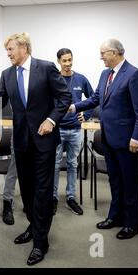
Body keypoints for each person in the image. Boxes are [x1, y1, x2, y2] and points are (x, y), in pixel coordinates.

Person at [0, 32, 71, 266]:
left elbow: (64, 97)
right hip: (22, 141)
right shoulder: (7, 74)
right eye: (7, 51)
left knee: (42, 190)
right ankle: (34, 228)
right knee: (26, 189)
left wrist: (52, 120)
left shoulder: (45, 68)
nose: (8, 54)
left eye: (11, 49)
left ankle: (40, 242)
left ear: (24, 48)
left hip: (44, 139)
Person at [69, 39, 138, 240]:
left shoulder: (134, 74)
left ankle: (132, 224)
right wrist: (75, 107)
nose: (101, 57)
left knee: (130, 183)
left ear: (114, 52)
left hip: (127, 140)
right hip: (109, 137)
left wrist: (136, 138)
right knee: (115, 180)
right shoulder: (106, 74)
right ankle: (116, 217)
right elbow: (96, 98)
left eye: (103, 53)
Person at [53, 48, 94, 216]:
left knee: (72, 164)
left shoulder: (81, 79)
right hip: (58, 130)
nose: (68, 64)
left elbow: (93, 98)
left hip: (75, 130)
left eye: (70, 60)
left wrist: (87, 115)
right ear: (59, 61)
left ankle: (71, 198)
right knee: (54, 165)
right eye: (64, 61)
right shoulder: (54, 79)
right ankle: (53, 198)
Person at [2, 135, 17, 225]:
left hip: (37, 133)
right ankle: (7, 203)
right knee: (13, 170)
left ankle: (30, 203)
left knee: (32, 171)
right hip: (20, 132)